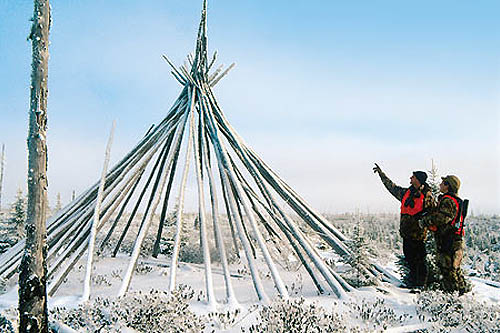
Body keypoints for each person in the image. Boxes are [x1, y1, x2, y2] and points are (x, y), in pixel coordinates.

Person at [373, 163, 434, 287]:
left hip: (418, 235)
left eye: (413, 177)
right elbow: (391, 187)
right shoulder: (406, 193)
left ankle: (421, 285)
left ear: (418, 180)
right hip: (407, 234)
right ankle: (412, 284)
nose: (410, 179)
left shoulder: (427, 197)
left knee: (420, 261)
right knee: (410, 261)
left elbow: (432, 214)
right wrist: (381, 174)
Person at [420, 175, 471, 295]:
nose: (440, 184)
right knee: (454, 271)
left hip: (449, 241)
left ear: (448, 185)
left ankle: (453, 300)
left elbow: (443, 218)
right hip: (453, 240)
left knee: (448, 271)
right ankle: (462, 296)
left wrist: (425, 221)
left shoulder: (448, 200)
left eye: (443, 183)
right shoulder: (453, 200)